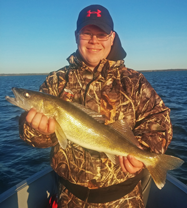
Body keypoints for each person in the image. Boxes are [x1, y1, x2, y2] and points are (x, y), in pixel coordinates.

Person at [19, 4, 172, 208]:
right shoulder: (56, 81)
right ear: (76, 36)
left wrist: (145, 150)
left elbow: (160, 120)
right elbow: (34, 138)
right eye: (87, 33)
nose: (94, 41)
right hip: (69, 197)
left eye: (101, 34)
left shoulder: (134, 81)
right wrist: (36, 130)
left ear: (112, 38)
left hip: (124, 199)